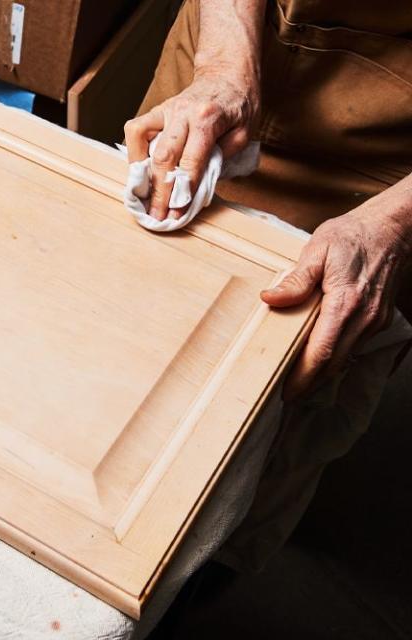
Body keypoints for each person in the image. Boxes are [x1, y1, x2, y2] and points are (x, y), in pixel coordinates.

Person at [125, 0, 412, 571]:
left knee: (272, 406)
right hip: (229, 57)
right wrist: (225, 64)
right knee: (134, 321)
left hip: (387, 158)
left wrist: (396, 225)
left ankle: (205, 568)